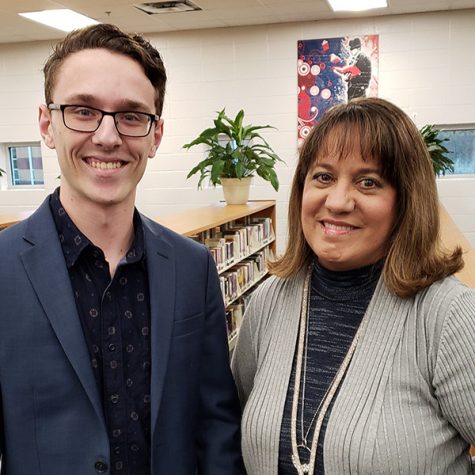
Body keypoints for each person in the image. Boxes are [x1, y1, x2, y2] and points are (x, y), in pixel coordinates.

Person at [0, 23, 243, 475]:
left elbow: (216, 428)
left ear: (156, 134)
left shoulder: (193, 269)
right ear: (46, 125)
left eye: (131, 116)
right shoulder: (2, 269)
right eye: (83, 111)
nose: (108, 136)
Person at [231, 97, 475, 474]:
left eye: (368, 182)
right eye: (324, 176)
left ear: (406, 200)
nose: (339, 201)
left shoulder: (447, 316)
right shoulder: (267, 302)